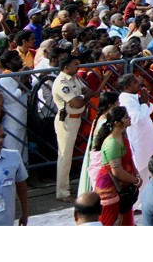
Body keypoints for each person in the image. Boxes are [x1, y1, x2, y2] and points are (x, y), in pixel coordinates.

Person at [51, 54, 89, 203]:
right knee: (64, 157)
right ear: (66, 67)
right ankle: (62, 191)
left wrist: (81, 97)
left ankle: (66, 186)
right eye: (75, 64)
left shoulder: (75, 78)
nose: (78, 66)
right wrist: (81, 98)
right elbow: (76, 102)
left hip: (76, 119)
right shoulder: (61, 82)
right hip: (66, 121)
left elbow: (85, 91)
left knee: (69, 155)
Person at [95, 106, 140, 226]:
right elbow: (117, 171)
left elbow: (128, 160)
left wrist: (135, 174)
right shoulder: (112, 143)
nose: (129, 118)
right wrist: (135, 180)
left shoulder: (121, 136)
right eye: (126, 117)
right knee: (111, 221)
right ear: (116, 123)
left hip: (123, 186)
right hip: (110, 189)